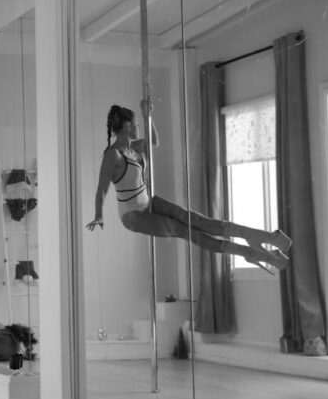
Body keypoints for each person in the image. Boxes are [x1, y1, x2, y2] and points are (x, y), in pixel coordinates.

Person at [86, 101, 290, 272]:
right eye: (137, 123)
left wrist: (147, 116)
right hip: (132, 215)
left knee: (196, 220)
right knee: (186, 231)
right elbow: (102, 187)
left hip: (149, 201)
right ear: (127, 127)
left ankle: (262, 237)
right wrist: (99, 214)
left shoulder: (134, 147)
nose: (139, 127)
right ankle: (250, 253)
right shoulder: (113, 155)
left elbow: (153, 141)